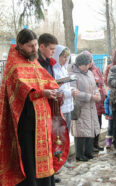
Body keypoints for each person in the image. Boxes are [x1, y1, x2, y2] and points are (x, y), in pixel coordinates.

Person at [0, 29, 69, 186]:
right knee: (29, 155)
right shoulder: (14, 63)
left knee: (44, 153)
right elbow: (19, 88)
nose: (34, 49)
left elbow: (46, 80)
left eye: (35, 45)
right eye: (30, 46)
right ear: (20, 45)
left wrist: (54, 91)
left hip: (42, 120)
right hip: (25, 120)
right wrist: (41, 92)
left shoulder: (33, 60)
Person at [37, 33, 64, 183]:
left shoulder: (50, 63)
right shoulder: (37, 63)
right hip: (41, 107)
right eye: (52, 49)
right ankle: (46, 175)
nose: (53, 52)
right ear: (42, 47)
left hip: (51, 103)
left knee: (53, 140)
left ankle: (51, 172)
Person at [69, 53, 101, 161]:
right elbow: (75, 93)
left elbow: (95, 86)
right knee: (80, 131)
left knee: (90, 129)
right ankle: (79, 154)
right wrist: (91, 97)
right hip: (81, 107)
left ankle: (88, 152)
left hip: (91, 106)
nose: (87, 67)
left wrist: (97, 94)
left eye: (88, 64)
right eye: (85, 65)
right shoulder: (73, 75)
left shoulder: (90, 73)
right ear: (79, 64)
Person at [52, 45, 78, 167]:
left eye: (67, 57)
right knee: (58, 136)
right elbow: (55, 89)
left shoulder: (63, 68)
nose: (65, 59)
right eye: (63, 56)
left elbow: (65, 86)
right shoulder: (54, 69)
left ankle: (63, 159)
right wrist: (69, 93)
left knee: (65, 136)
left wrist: (72, 89)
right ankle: (58, 161)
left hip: (68, 107)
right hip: (60, 108)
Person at [82, 50, 106, 152]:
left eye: (91, 59)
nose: (90, 62)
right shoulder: (84, 71)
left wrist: (104, 94)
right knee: (90, 124)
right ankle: (90, 146)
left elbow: (102, 83)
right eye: (88, 60)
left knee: (98, 123)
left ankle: (96, 143)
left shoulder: (96, 69)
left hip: (99, 101)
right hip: (90, 101)